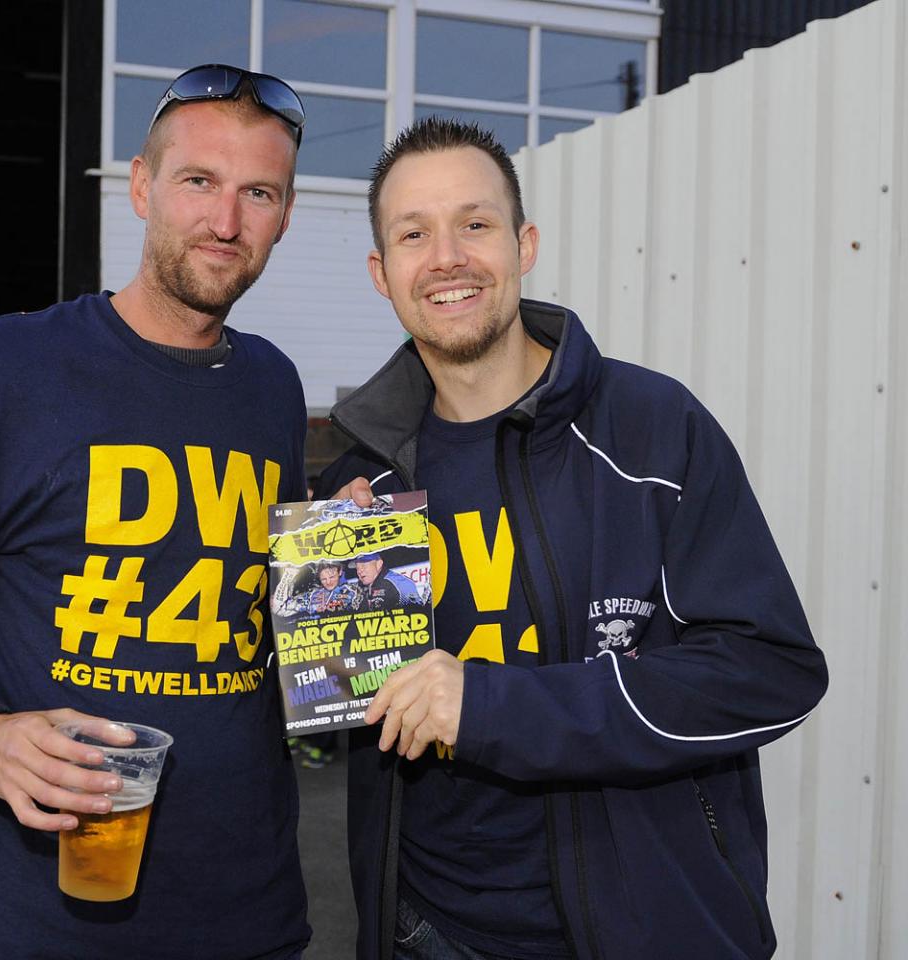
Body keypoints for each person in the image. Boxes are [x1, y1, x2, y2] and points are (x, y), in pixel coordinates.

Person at [0, 64, 312, 960]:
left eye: (259, 192)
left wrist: (338, 569)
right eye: (199, 180)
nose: (226, 221)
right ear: (140, 187)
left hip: (249, 916)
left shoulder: (274, 386)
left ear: (284, 215)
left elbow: (252, 625)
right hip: (37, 926)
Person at [319, 118, 828, 960]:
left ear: (524, 244)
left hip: (646, 932)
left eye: (474, 224)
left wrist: (492, 706)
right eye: (414, 234)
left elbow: (772, 672)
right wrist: (315, 617)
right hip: (429, 935)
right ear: (383, 273)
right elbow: (340, 714)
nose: (447, 257)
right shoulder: (360, 485)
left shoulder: (654, 430)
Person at [273, 559, 365, 618]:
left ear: (340, 571)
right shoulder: (312, 596)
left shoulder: (354, 591)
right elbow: (279, 608)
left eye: (332, 577)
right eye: (324, 579)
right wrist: (289, 573)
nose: (328, 582)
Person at [352, 552, 422, 611]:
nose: (359, 571)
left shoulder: (399, 583)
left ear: (379, 564)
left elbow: (418, 612)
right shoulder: (360, 588)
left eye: (363, 566)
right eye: (357, 568)